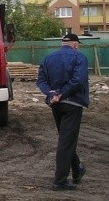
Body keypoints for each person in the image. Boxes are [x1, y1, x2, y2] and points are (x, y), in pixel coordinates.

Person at [36, 33, 89, 191]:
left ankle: (77, 169)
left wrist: (52, 94)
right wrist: (62, 94)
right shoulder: (79, 57)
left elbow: (41, 81)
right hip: (72, 103)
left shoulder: (48, 58)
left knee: (67, 138)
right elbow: (78, 81)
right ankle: (60, 181)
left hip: (56, 105)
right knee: (66, 141)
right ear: (76, 44)